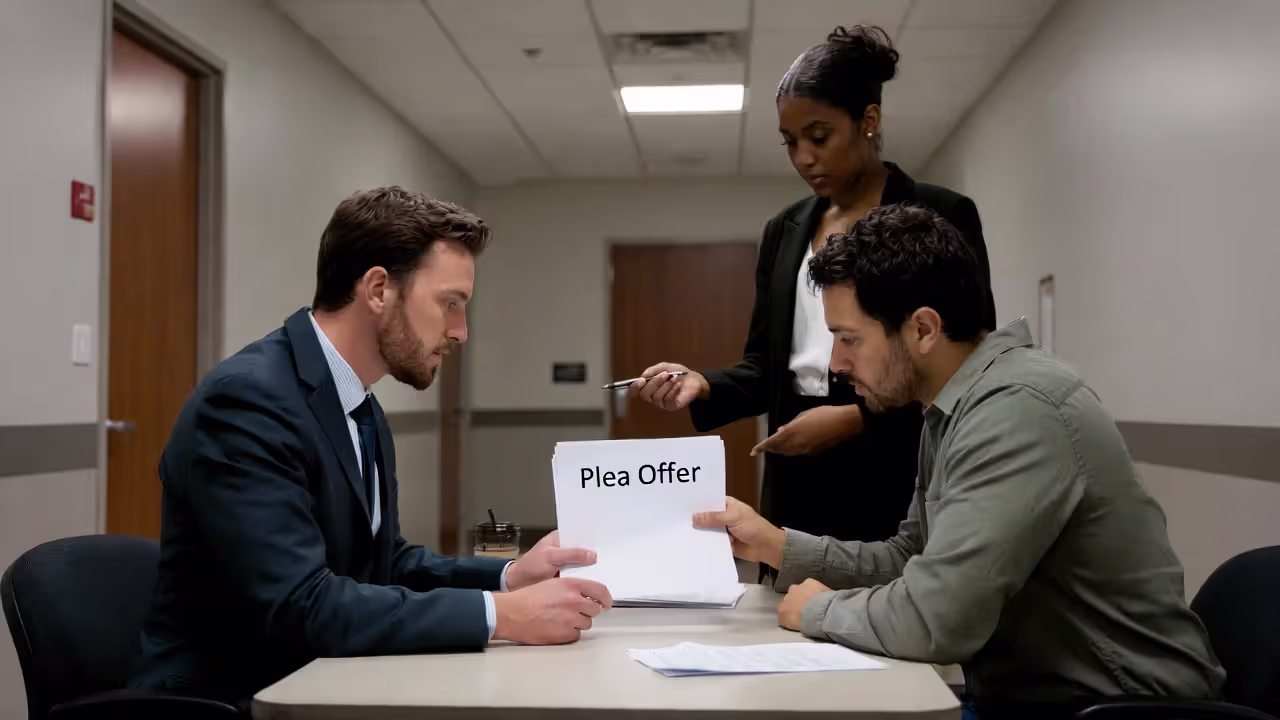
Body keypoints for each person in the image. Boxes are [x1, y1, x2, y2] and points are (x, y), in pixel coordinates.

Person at [693, 203, 1224, 719]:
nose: (836, 364)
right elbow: (914, 559)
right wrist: (777, 545)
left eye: (849, 338)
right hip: (1039, 696)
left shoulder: (1017, 409)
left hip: (1124, 707)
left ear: (923, 329)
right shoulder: (954, 405)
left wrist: (817, 611)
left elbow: (938, 617)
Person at [128, 187, 612, 707]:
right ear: (378, 289)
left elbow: (387, 563)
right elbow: (299, 606)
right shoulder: (248, 401)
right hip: (231, 698)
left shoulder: (359, 404)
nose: (461, 331)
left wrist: (510, 576)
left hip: (325, 679)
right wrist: (502, 615)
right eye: (450, 303)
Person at [631, 26, 997, 545]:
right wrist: (702, 383)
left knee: (887, 607)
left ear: (868, 121)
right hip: (794, 463)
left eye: (819, 137)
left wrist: (856, 419)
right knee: (787, 610)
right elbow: (765, 366)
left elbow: (967, 360)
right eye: (790, 142)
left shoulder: (941, 214)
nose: (803, 157)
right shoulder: (784, 231)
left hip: (899, 460)